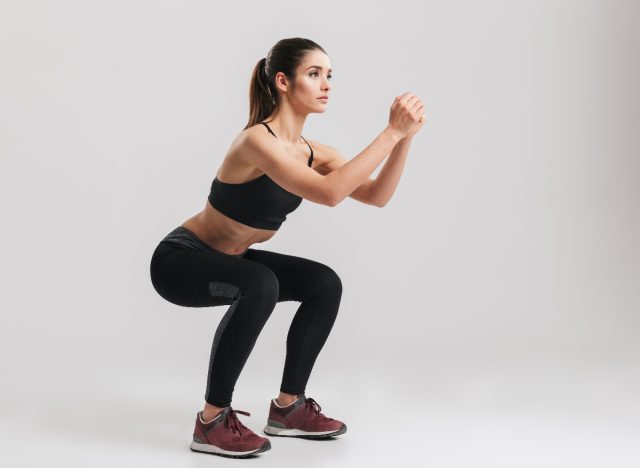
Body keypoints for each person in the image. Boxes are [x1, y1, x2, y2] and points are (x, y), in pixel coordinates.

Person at [149, 37, 425, 459]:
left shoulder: (315, 153)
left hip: (231, 260)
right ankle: (211, 421)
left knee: (323, 283)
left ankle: (288, 408)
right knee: (260, 283)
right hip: (179, 261)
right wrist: (390, 131)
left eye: (329, 75)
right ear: (282, 81)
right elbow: (331, 194)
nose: (326, 84)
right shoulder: (257, 142)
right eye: (314, 74)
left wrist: (404, 139)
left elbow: (377, 195)